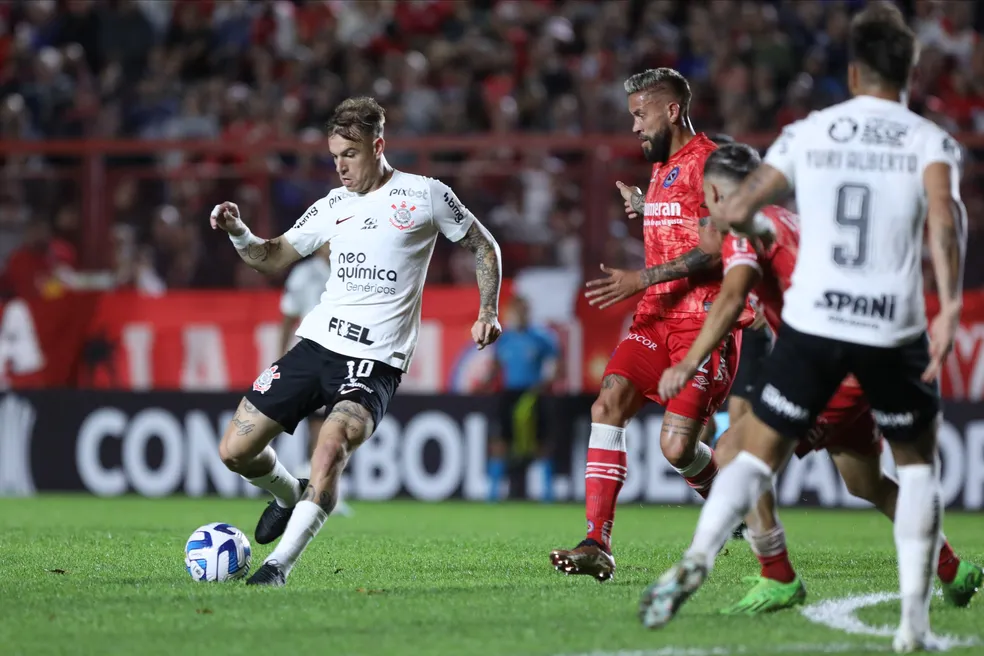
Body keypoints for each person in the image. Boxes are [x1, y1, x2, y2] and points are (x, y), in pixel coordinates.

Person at [639, 6, 968, 651]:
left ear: (850, 71)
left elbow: (744, 206)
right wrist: (950, 304)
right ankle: (914, 626)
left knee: (748, 451)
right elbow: (945, 218)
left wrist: (722, 224)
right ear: (910, 71)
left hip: (815, 327)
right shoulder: (930, 141)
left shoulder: (807, 133)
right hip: (889, 327)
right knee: (914, 470)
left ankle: (703, 555)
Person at [657, 143, 981, 615]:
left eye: (704, 201)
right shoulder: (789, 219)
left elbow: (731, 297)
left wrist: (687, 363)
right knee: (864, 483)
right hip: (861, 359)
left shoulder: (746, 228)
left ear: (713, 191)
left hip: (829, 369)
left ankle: (778, 574)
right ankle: (954, 569)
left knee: (731, 454)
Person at [210, 97, 503, 587]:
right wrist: (239, 231)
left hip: (375, 358)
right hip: (317, 344)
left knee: (330, 445)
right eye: (335, 156)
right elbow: (272, 256)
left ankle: (276, 567)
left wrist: (487, 311)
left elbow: (483, 245)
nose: (341, 166)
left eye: (350, 154)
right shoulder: (333, 205)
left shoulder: (425, 194)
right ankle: (288, 493)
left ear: (378, 145)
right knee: (234, 451)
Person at [550, 68, 753, 582]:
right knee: (608, 400)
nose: (635, 127)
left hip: (702, 324)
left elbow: (714, 253)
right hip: (655, 320)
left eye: (640, 115)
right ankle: (597, 541)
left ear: (670, 110)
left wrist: (641, 277)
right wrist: (648, 208)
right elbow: (684, 224)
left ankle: (735, 503)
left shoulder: (711, 162)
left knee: (676, 448)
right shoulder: (663, 169)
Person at [278, 244, 353, 517]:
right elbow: (288, 315)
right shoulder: (304, 273)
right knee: (319, 424)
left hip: (344, 355)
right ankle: (315, 486)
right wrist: (280, 354)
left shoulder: (352, 269)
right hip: (311, 354)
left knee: (335, 423)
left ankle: (319, 485)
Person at [485, 295, 559, 502]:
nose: (518, 315)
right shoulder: (504, 338)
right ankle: (492, 496)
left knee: (540, 444)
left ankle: (548, 496)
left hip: (533, 394)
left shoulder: (542, 337)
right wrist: (487, 381)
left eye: (522, 311)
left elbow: (555, 366)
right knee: (500, 443)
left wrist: (545, 383)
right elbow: (496, 365)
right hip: (509, 394)